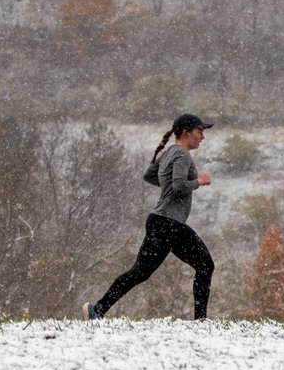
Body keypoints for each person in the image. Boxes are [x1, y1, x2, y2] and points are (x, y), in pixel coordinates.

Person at [82, 113, 216, 320]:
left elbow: (149, 175)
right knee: (205, 265)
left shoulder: (169, 153)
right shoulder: (182, 155)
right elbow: (179, 186)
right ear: (186, 133)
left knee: (139, 272)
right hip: (170, 223)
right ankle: (201, 320)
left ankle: (97, 310)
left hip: (157, 222)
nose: (202, 137)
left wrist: (168, 184)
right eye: (199, 131)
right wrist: (199, 181)